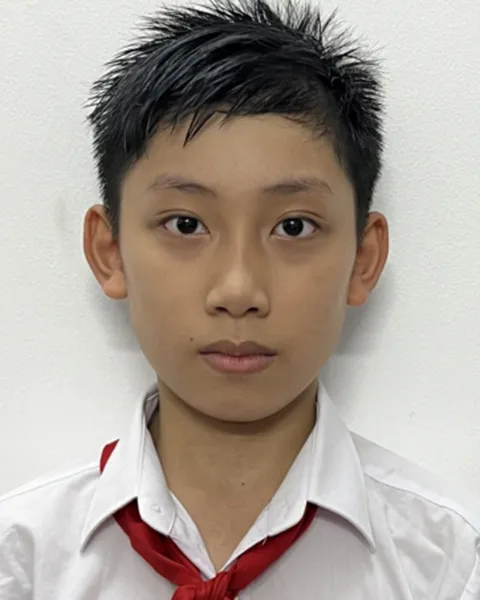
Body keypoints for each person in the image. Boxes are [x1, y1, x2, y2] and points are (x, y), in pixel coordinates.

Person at [1, 0, 479, 597]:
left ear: (363, 258)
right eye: (185, 224)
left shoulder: (448, 564)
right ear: (109, 251)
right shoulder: (22, 560)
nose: (238, 290)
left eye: (293, 227)